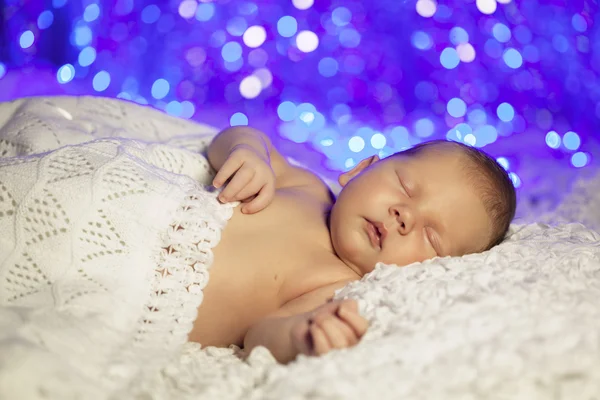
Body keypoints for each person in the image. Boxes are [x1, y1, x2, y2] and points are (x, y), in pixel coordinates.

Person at [187, 126, 516, 364]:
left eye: (430, 236)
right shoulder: (307, 186)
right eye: (405, 186)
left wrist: (302, 335)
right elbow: (238, 136)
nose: (405, 216)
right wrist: (247, 152)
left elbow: (262, 335)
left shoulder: (335, 285)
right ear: (362, 168)